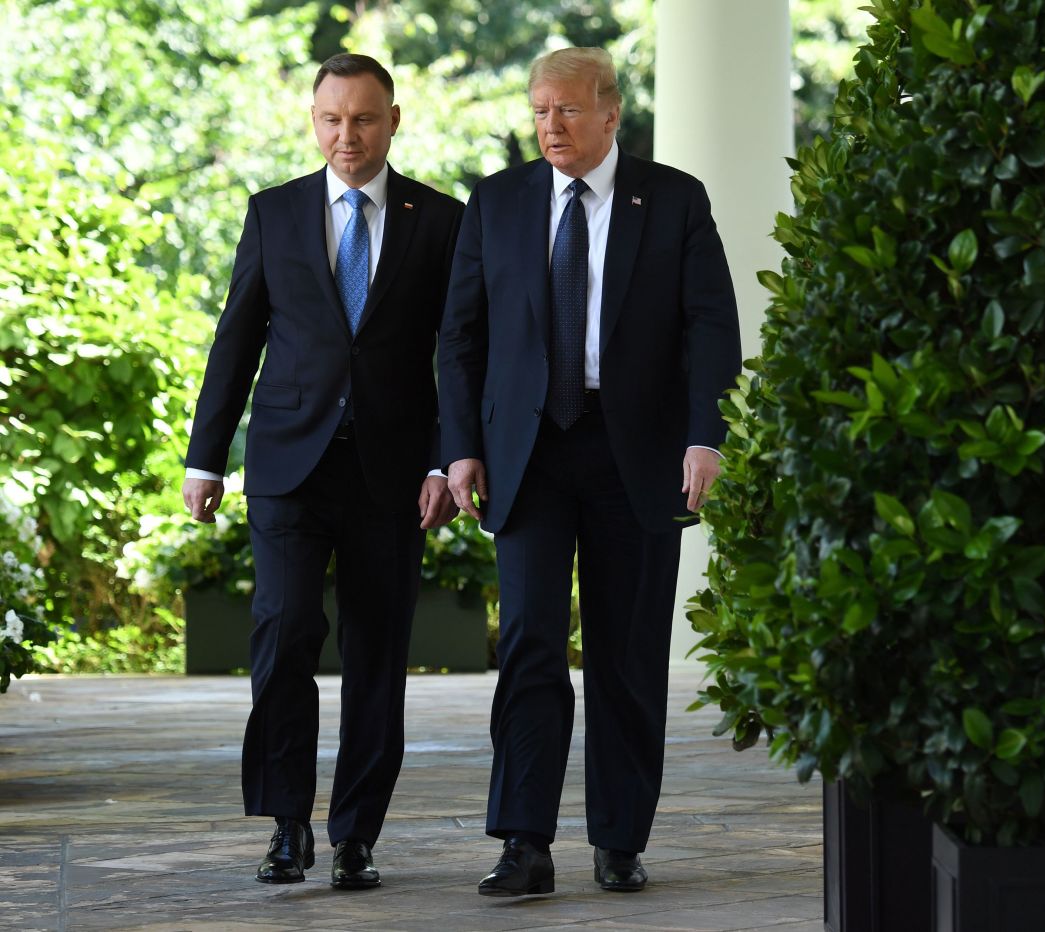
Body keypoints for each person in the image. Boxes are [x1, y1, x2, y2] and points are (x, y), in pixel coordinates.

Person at [437, 46, 741, 896]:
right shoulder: (496, 201)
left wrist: (705, 436)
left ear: (611, 114)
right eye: (539, 110)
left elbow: (711, 326)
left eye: (567, 110)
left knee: (628, 651)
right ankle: (523, 843)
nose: (550, 125)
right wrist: (460, 446)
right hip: (527, 456)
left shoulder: (674, 199)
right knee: (531, 642)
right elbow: (460, 336)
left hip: (634, 449)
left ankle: (619, 840)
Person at [182, 52, 462, 889]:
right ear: (315, 121)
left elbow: (460, 353)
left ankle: (357, 837)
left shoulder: (440, 221)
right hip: (287, 467)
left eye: (365, 119)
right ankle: (285, 824)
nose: (348, 136)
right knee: (284, 630)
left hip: (393, 474)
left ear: (393, 120)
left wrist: (448, 461)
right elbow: (236, 341)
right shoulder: (273, 213)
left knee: (377, 655)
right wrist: (205, 457)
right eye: (333, 119)